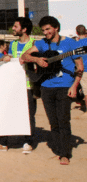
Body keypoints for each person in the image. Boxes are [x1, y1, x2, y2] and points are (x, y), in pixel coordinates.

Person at [20, 16, 83, 165]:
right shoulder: (42, 43)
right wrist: (37, 60)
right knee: (53, 122)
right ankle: (59, 148)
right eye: (43, 30)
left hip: (65, 87)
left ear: (56, 28)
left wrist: (74, 86)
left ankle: (65, 154)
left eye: (48, 29)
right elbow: (24, 56)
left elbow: (80, 67)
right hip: (46, 87)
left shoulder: (70, 43)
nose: (46, 32)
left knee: (63, 120)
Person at [0, 17, 35, 154]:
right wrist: (4, 58)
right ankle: (3, 142)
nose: (13, 28)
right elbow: (9, 62)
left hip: (28, 85)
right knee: (6, 112)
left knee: (29, 115)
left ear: (24, 29)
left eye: (15, 26)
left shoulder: (33, 43)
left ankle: (28, 142)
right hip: (13, 85)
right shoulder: (12, 44)